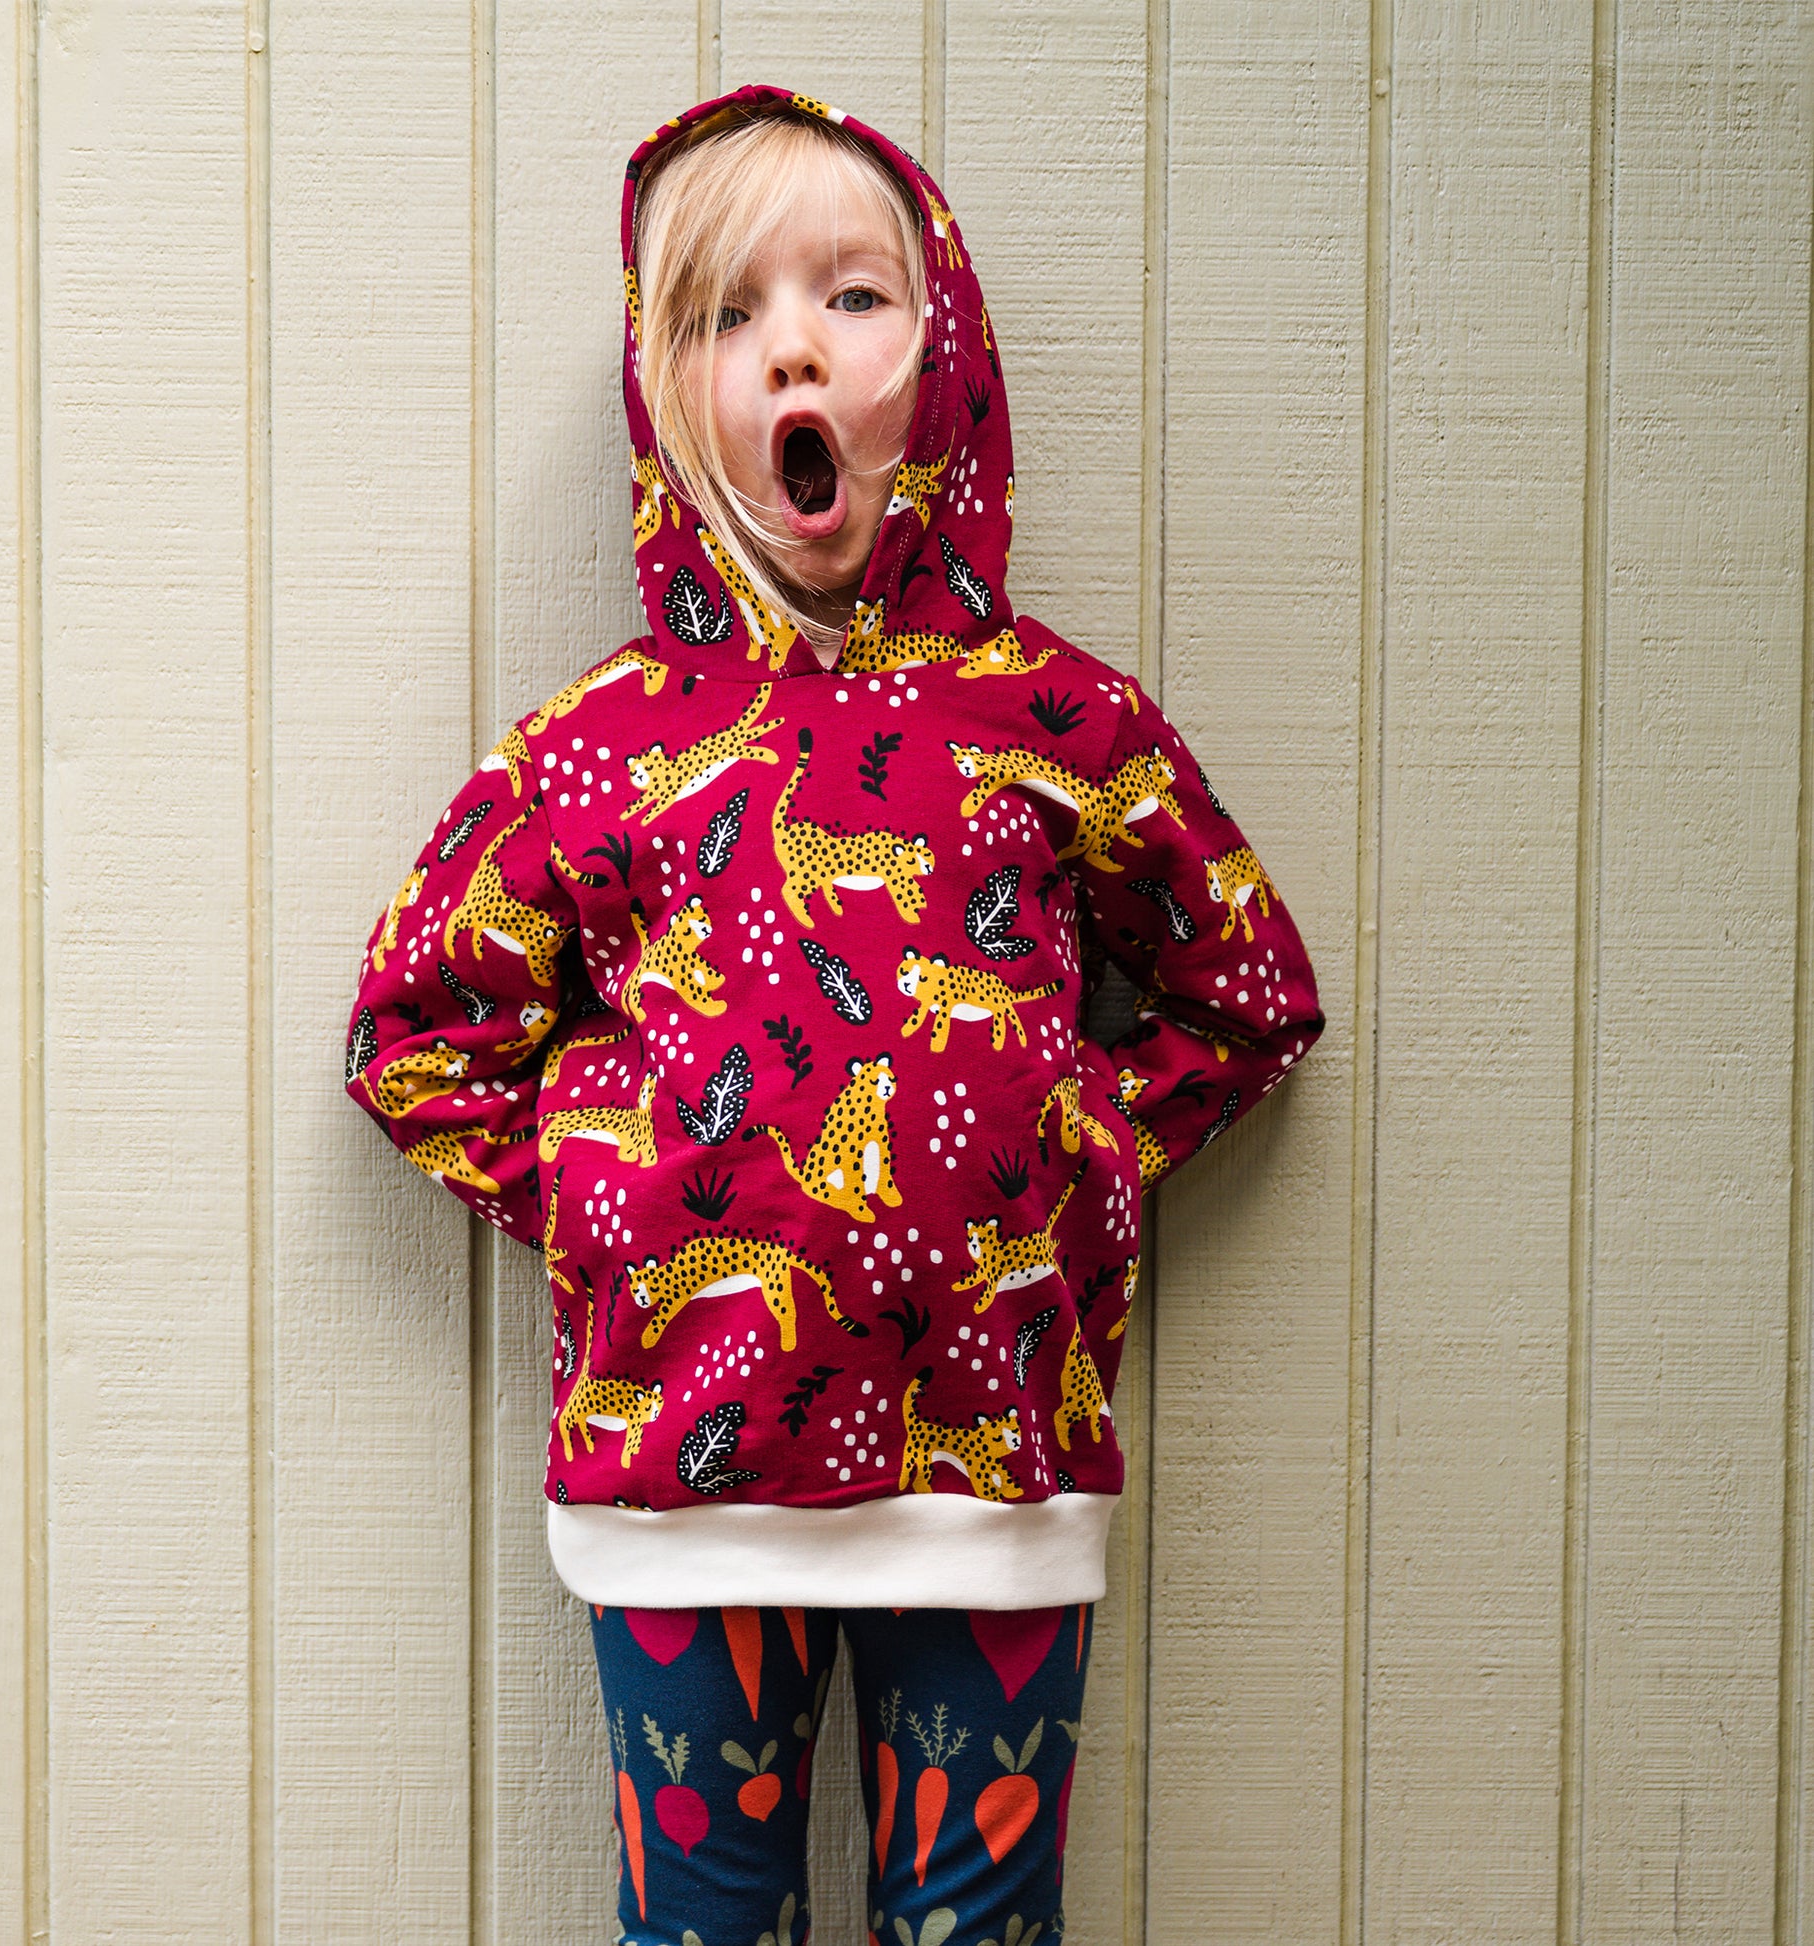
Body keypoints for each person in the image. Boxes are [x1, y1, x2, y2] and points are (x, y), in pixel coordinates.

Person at [344, 84, 1325, 1946]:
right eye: (726, 314)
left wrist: (1075, 1153)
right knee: (699, 1928)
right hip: (682, 1480)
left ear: (942, 361)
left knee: (978, 1925)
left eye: (850, 296)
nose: (791, 344)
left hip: (992, 1471)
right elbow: (412, 1034)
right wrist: (620, 1190)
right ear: (671, 393)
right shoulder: (597, 750)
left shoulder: (1063, 725)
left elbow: (1244, 992)